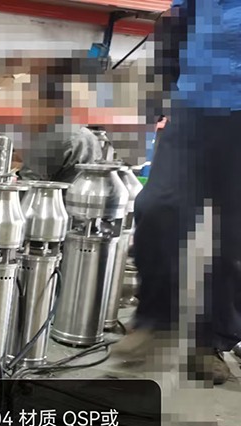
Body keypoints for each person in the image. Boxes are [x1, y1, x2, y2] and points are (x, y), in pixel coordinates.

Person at [112, 0, 241, 384]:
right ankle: (154, 322)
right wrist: (160, 96)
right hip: (193, 108)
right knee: (157, 205)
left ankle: (211, 341)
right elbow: (172, 30)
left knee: (232, 238)